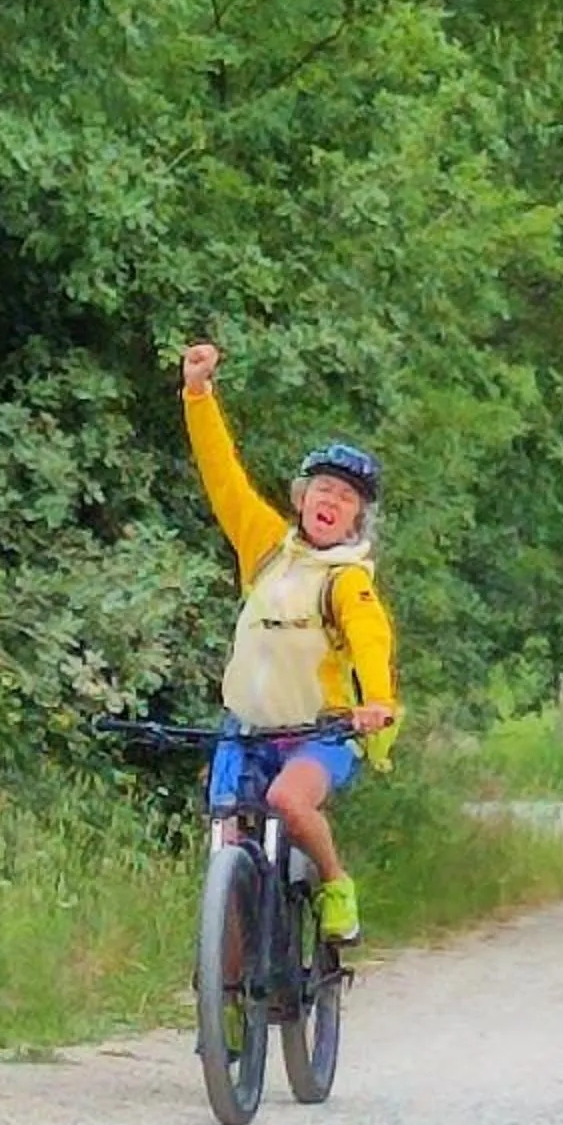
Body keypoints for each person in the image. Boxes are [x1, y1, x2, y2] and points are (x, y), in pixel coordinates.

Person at [180, 340, 399, 950]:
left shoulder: (347, 579)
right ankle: (226, 1005)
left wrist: (376, 701)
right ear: (302, 498)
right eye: (323, 490)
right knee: (224, 846)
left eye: (347, 498)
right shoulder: (266, 547)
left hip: (318, 735)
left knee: (288, 801)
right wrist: (198, 394)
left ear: (358, 520)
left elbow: (370, 637)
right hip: (244, 729)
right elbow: (222, 475)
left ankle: (334, 885)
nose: (332, 502)